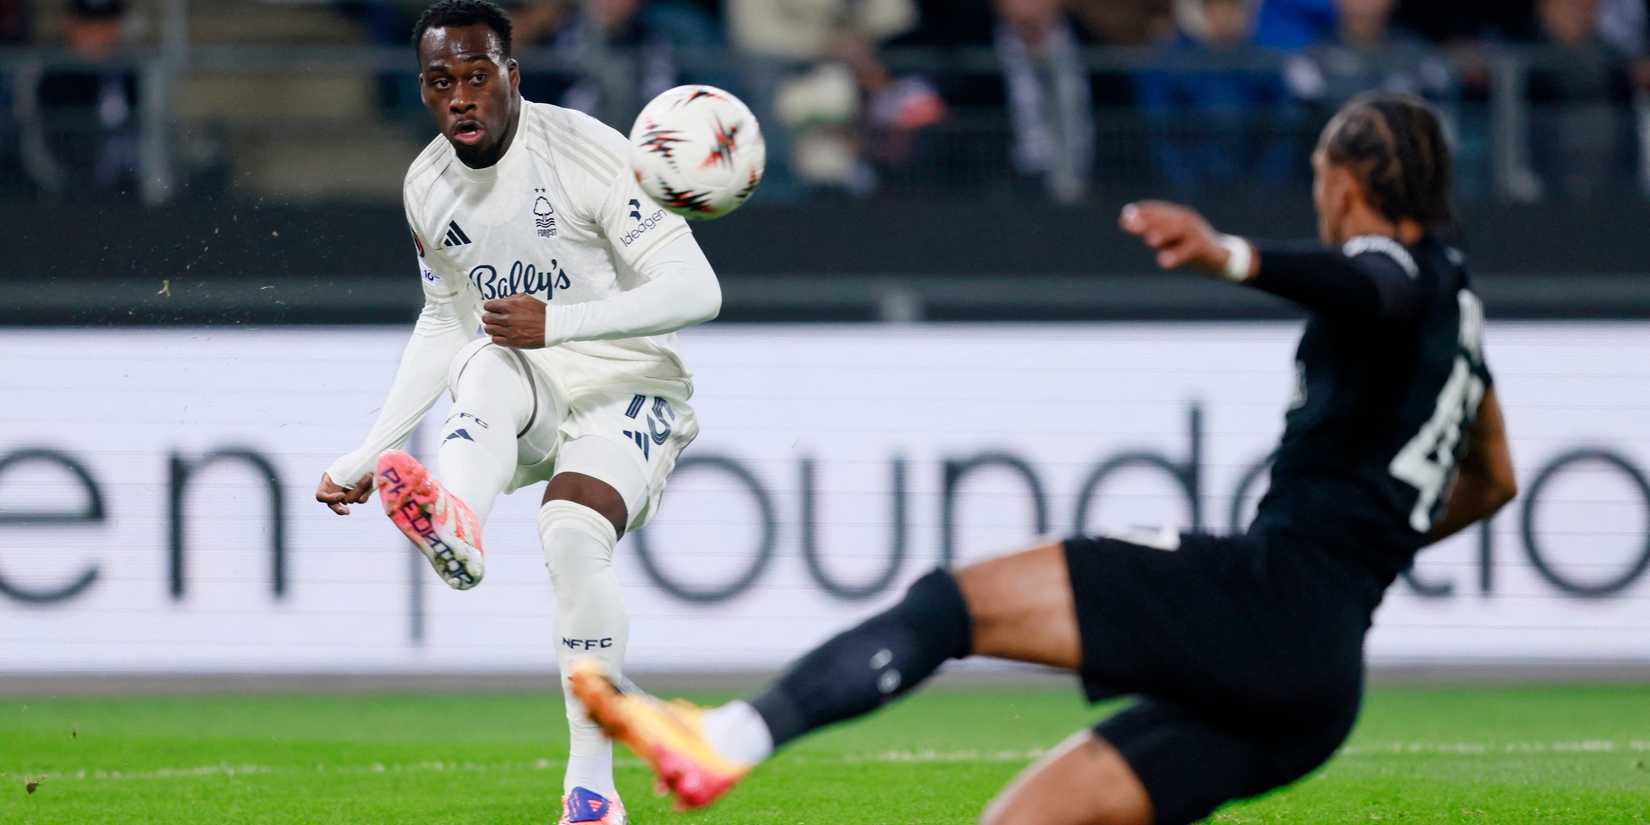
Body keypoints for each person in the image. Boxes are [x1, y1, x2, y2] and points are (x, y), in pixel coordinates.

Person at [570, 92, 1518, 825]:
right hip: (1320, 677)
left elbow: (1375, 284)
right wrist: (1364, 553)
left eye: (1319, 175)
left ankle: (730, 734)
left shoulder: (1395, 273)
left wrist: (1230, 256)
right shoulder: (1461, 314)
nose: (1319, 196)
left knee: (949, 605)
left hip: (1269, 598)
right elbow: (1493, 480)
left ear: (1347, 183)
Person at [313, 2, 722, 823]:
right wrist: (369, 451)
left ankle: (591, 792)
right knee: (482, 359)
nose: (460, 96)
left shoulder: (588, 154)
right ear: (424, 91)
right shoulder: (426, 188)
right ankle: (457, 523)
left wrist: (557, 321)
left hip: (629, 380)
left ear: (512, 76)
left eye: (477, 75)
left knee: (572, 533)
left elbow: (698, 291)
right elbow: (443, 319)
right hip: (528, 371)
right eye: (440, 82)